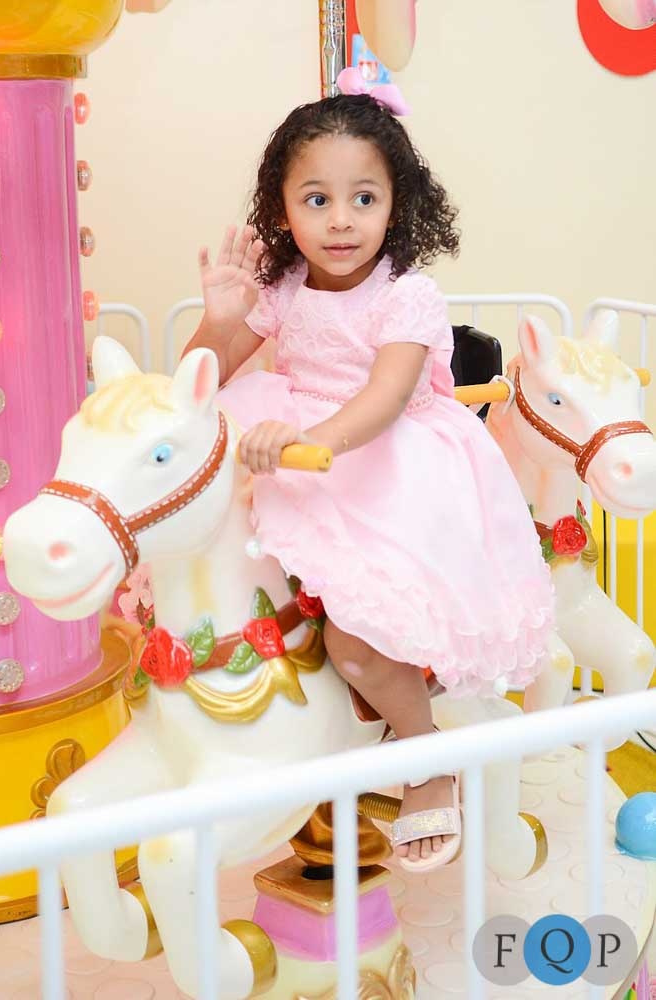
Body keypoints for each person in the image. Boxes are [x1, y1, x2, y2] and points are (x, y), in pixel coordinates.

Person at [183, 69, 554, 871]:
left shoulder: (406, 296)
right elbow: (198, 383)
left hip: (384, 466)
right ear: (282, 210)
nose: (341, 220)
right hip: (295, 451)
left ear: (396, 204)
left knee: (355, 641)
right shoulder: (282, 288)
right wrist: (218, 321)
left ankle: (424, 760)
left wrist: (304, 440)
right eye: (316, 199)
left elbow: (384, 398)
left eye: (363, 198)